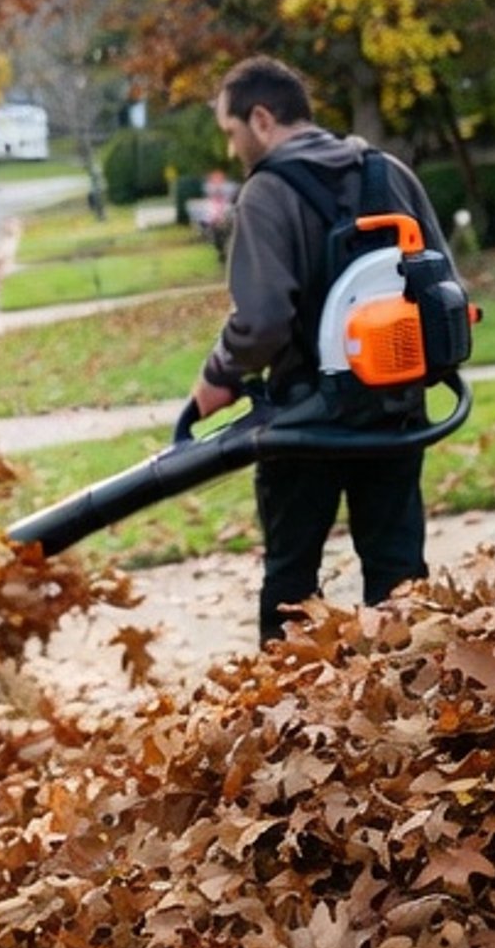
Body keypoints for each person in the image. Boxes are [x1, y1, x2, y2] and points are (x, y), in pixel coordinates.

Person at [188, 55, 449, 643]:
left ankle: (289, 715)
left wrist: (217, 377)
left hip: (303, 424)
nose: (233, 152)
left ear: (260, 119)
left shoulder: (267, 193)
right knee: (399, 574)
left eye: (231, 134)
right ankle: (412, 703)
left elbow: (260, 323)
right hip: (394, 411)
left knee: (292, 584)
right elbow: (442, 284)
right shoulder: (389, 173)